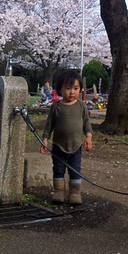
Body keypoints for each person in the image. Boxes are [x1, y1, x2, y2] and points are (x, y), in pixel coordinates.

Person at [40, 70, 93, 205]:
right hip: (58, 145)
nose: (72, 92)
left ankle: (75, 193)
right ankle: (58, 192)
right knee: (58, 169)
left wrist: (89, 137)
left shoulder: (81, 106)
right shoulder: (56, 107)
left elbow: (86, 123)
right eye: (68, 88)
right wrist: (45, 139)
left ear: (80, 89)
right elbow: (49, 125)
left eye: (75, 89)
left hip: (76, 146)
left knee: (75, 170)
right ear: (59, 89)